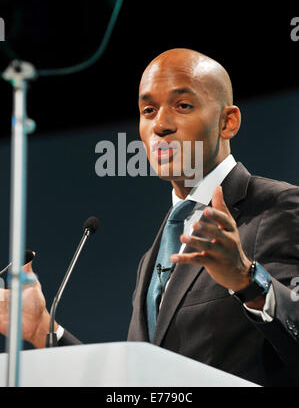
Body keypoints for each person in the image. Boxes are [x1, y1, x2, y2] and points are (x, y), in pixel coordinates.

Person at [0, 48, 298, 387]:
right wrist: (42, 329)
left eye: (183, 105)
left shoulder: (282, 207)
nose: (161, 125)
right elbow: (138, 385)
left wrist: (247, 280)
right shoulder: (152, 258)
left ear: (227, 121)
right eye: (148, 110)